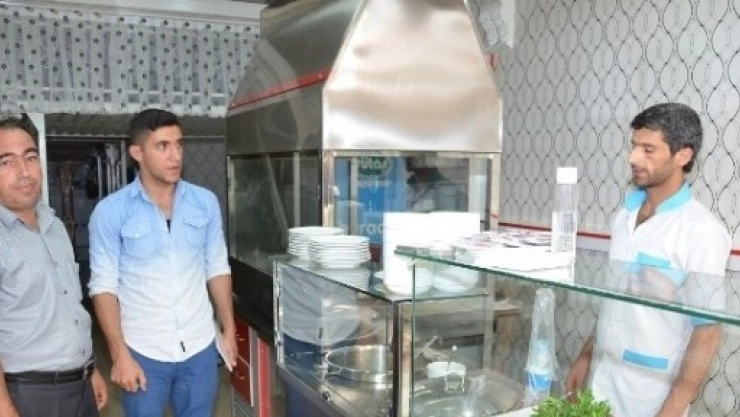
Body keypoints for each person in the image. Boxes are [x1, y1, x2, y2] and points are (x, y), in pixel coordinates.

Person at [565, 103, 731, 417]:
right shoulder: (624, 217)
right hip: (602, 381)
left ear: (683, 155)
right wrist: (586, 355)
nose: (633, 158)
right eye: (634, 146)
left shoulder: (702, 232)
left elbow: (708, 333)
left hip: (650, 396)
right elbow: (612, 301)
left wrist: (671, 410)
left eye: (648, 150)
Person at [88, 108, 237, 416]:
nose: (175, 156)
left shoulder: (205, 202)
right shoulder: (110, 212)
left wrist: (229, 329)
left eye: (179, 144)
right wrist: (119, 356)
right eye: (162, 146)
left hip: (199, 346)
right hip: (143, 351)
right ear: (137, 153)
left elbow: (217, 267)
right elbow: (103, 287)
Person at [0, 113, 108, 417]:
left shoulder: (54, 225)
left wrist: (90, 369)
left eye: (30, 157)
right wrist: (4, 406)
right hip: (30, 394)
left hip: (80, 384)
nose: (24, 171)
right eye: (6, 162)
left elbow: (69, 306)